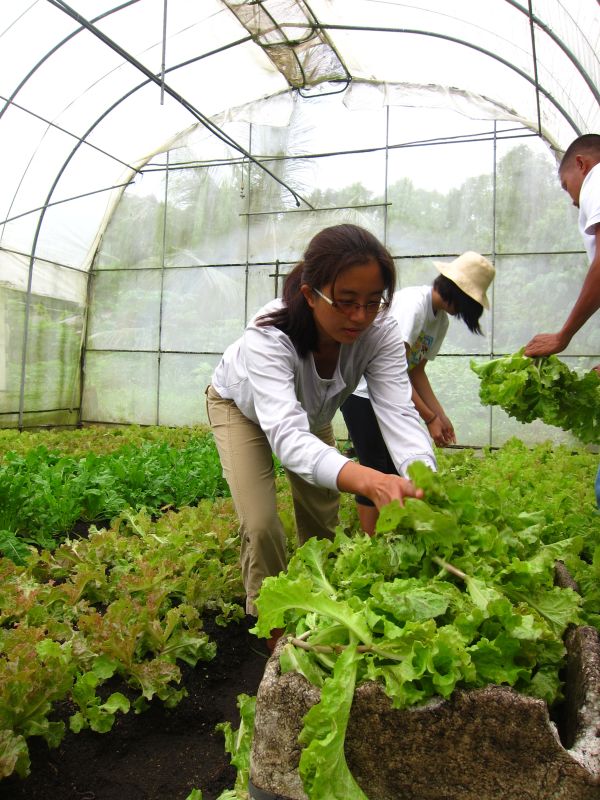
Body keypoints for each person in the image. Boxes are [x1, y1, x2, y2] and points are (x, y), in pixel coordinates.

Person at [206, 224, 436, 625]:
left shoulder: (380, 331)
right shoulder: (269, 332)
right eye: (346, 302)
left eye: (372, 301)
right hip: (241, 409)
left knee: (322, 517)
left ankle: (321, 603)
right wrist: (370, 479)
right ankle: (272, 622)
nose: (360, 316)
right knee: (261, 524)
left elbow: (398, 411)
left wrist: (423, 478)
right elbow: (288, 436)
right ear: (311, 295)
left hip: (311, 417)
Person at [341, 251, 495, 535]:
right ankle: (370, 541)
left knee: (394, 467)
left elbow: (417, 371)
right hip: (364, 394)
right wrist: (428, 418)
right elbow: (394, 372)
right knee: (375, 468)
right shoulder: (413, 305)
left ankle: (390, 534)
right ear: (459, 293)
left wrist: (440, 416)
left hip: (389, 395)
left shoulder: (440, 321)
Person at [524, 133, 600, 507]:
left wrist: (563, 335)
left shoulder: (597, 179)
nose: (572, 199)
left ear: (582, 165)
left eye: (567, 185)